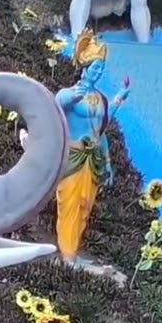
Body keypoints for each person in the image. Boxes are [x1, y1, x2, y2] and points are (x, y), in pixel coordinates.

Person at [52, 30, 129, 266]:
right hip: (73, 156)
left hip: (93, 158)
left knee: (85, 205)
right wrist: (72, 98)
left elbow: (101, 130)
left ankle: (73, 250)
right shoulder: (71, 93)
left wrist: (107, 163)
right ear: (84, 66)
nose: (98, 71)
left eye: (101, 68)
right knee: (70, 203)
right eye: (95, 66)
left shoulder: (100, 98)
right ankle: (67, 254)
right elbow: (55, 106)